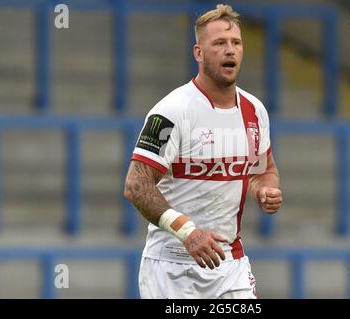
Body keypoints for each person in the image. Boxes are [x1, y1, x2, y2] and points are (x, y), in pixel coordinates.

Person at [124, 4, 282, 299]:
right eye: (219, 43)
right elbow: (136, 185)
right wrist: (188, 232)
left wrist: (266, 189)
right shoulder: (170, 112)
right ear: (199, 53)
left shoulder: (254, 111)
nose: (230, 50)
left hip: (229, 264)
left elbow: (264, 170)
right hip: (172, 268)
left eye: (236, 43)